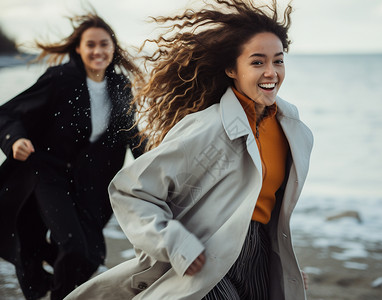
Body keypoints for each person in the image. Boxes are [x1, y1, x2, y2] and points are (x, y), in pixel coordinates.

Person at [65, 0, 312, 299]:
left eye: (278, 60)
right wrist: (176, 243)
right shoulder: (207, 128)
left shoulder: (292, 129)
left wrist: (284, 266)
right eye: (257, 62)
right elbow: (130, 191)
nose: (271, 72)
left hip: (258, 255)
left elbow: (272, 213)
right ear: (232, 69)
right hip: (206, 254)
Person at [0, 13, 145, 300]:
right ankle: (53, 290)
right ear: (78, 48)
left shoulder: (120, 87)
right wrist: (14, 140)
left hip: (92, 181)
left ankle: (51, 284)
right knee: (73, 247)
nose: (97, 51)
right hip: (48, 173)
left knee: (92, 256)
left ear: (113, 48)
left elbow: (132, 134)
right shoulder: (60, 78)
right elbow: (9, 112)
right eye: (90, 45)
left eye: (104, 44)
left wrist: (158, 163)